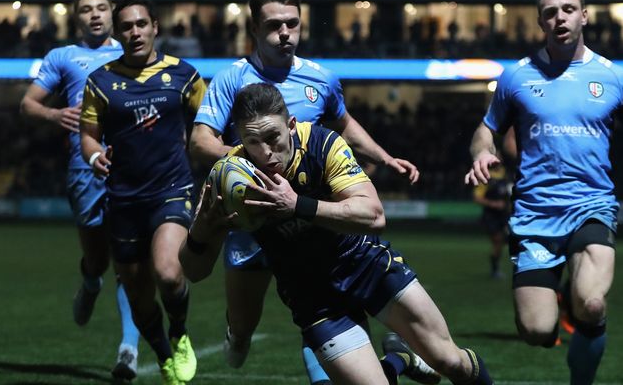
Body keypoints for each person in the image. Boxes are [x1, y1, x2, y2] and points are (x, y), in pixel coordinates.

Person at [464, 0, 623, 385]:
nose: (560, 18)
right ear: (540, 22)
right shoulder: (516, 77)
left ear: (585, 16)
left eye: (568, 9)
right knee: (537, 331)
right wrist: (481, 152)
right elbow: (485, 130)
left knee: (591, 303)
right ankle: (558, 309)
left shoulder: (614, 78)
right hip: (534, 216)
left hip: (591, 207)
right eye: (550, 12)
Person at [181, 83, 493, 385]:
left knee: (449, 361)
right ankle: (399, 360)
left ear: (291, 125)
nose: (265, 153)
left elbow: (373, 214)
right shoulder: (231, 178)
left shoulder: (323, 145)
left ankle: (407, 358)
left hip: (365, 265)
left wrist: (297, 205)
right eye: (252, 142)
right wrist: (201, 232)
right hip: (313, 297)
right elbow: (193, 272)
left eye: (272, 137)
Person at [189, 0, 419, 385]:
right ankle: (237, 334)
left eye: (292, 24)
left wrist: (382, 156)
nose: (284, 33)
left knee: (320, 311)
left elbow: (344, 123)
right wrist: (248, 166)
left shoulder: (321, 79)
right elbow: (200, 142)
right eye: (274, 24)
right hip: (252, 222)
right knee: (243, 324)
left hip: (307, 222)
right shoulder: (230, 80)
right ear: (254, 28)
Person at [79, 0, 206, 385]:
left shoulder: (185, 76)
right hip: (124, 199)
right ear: (117, 33)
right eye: (127, 27)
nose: (135, 32)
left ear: (155, 27)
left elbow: (206, 127)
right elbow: (88, 135)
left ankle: (180, 332)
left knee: (168, 273)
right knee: (137, 293)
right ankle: (163, 354)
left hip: (172, 189)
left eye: (141, 24)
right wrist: (94, 156)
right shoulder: (100, 83)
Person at [19, 0, 140, 381]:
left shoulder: (132, 51)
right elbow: (28, 103)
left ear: (111, 13)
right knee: (99, 258)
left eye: (101, 8)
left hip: (129, 169)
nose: (94, 15)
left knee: (129, 262)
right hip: (84, 168)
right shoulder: (63, 57)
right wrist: (55, 116)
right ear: (77, 18)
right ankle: (90, 280)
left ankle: (128, 350)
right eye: (86, 9)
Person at [472, 162, 510, 279]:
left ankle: (497, 267)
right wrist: (493, 204)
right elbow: (477, 198)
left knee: (505, 240)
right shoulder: (485, 176)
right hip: (491, 216)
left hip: (505, 214)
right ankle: (495, 269)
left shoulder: (506, 173)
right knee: (497, 240)